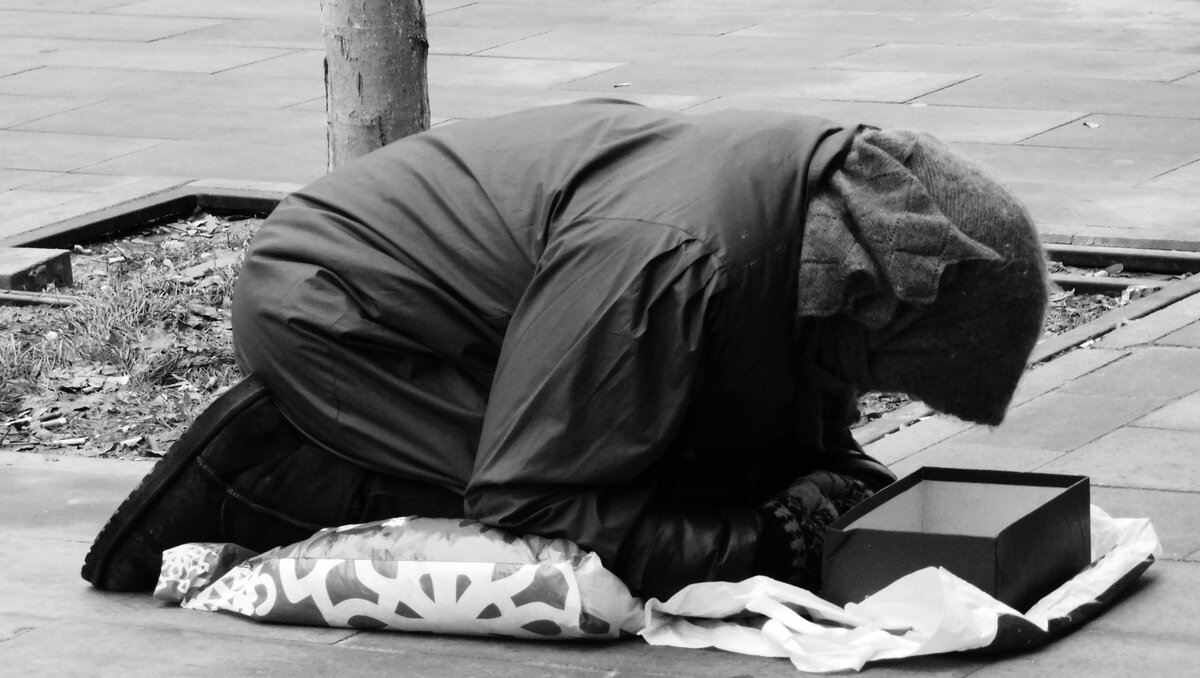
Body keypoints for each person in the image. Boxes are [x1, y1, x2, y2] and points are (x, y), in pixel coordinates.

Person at [81, 99, 1047, 600]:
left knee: (677, 488)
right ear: (867, 307)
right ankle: (265, 474)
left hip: (511, 300)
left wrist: (843, 488)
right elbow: (533, 494)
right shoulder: (671, 262)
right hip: (345, 314)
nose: (869, 391)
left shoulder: (830, 232)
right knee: (547, 526)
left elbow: (793, 399)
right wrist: (758, 549)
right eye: (883, 373)